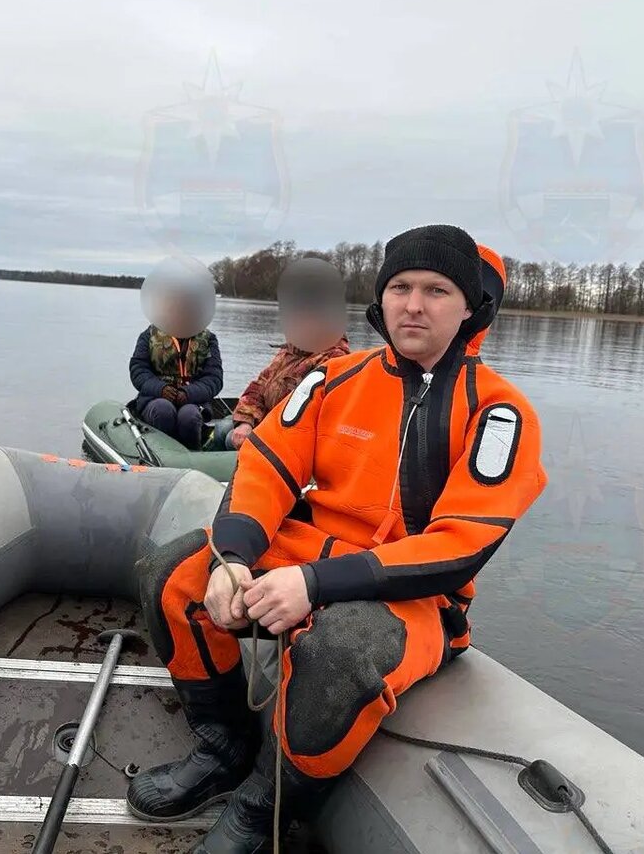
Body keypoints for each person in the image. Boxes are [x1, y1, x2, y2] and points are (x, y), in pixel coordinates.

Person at [128, 225, 548, 853]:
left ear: (470, 307)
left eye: (437, 290)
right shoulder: (333, 380)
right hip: (304, 553)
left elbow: (460, 543)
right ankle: (223, 746)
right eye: (400, 286)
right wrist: (232, 556)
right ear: (381, 300)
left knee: (340, 650)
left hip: (416, 597)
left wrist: (314, 585)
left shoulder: (498, 411)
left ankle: (263, 805)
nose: (413, 303)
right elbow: (267, 467)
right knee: (171, 574)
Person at [221, 258, 351, 450]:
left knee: (225, 438)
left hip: (286, 443)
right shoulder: (289, 351)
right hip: (263, 427)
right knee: (224, 430)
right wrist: (246, 421)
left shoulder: (335, 361)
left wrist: (259, 431)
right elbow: (259, 386)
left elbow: (307, 419)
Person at [129, 292, 224, 450]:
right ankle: (160, 453)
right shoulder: (149, 336)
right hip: (155, 399)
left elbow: (214, 378)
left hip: (193, 402)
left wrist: (188, 393)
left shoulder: (208, 340)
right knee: (163, 410)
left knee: (189, 417)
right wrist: (161, 389)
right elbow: (138, 371)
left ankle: (194, 452)